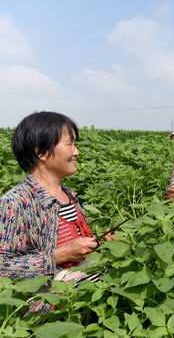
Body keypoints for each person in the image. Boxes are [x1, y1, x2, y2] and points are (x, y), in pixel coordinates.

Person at [0, 111, 113, 281]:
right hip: (60, 304)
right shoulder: (15, 202)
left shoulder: (69, 195)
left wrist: (99, 244)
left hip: (94, 296)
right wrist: (60, 256)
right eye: (70, 144)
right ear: (41, 152)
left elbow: (73, 244)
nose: (77, 152)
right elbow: (3, 266)